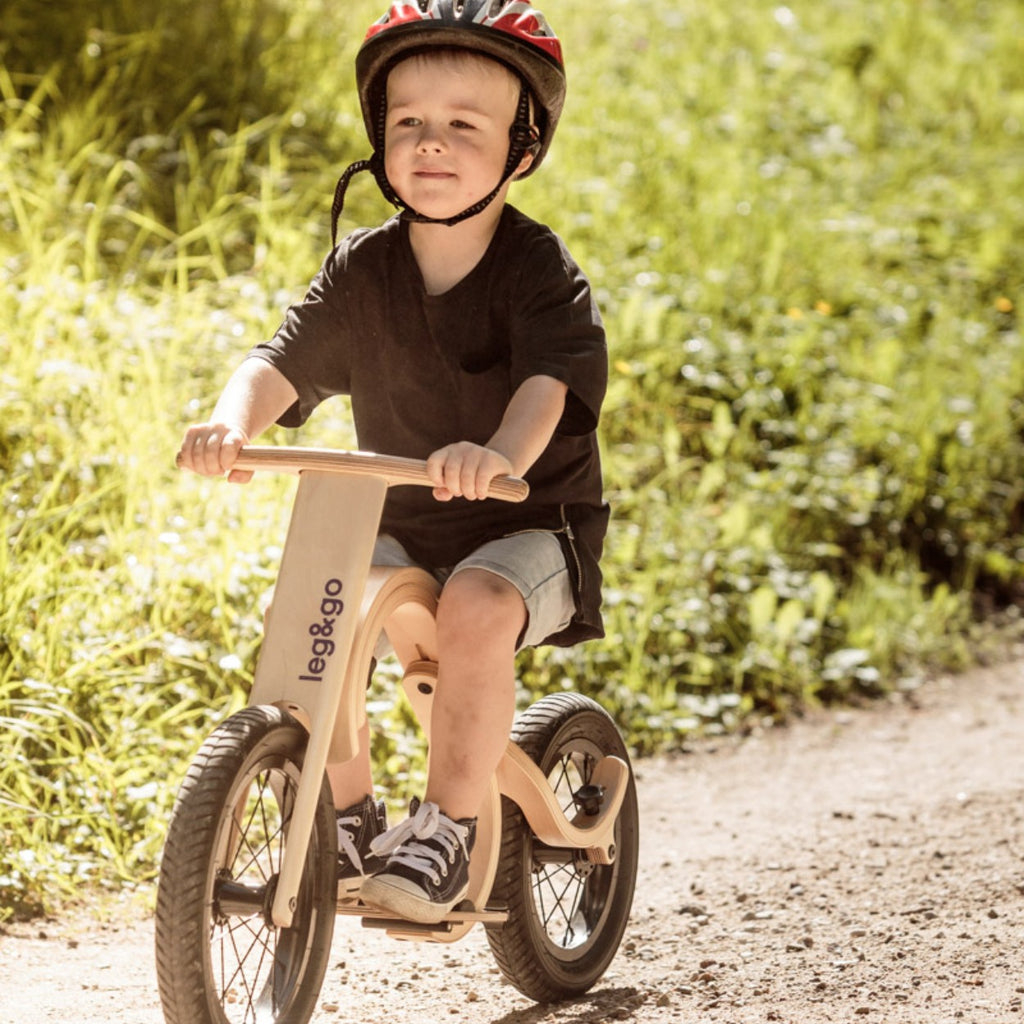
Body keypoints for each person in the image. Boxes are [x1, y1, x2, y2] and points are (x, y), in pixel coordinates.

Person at [177, 0, 608, 926]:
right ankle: (344, 812)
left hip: (529, 521)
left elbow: (548, 387)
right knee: (312, 605)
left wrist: (495, 454)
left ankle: (450, 826)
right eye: (409, 122)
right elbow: (281, 361)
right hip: (402, 515)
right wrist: (227, 422)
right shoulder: (362, 270)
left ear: (522, 148)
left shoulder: (539, 272)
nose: (432, 144)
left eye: (464, 125)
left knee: (478, 606)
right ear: (379, 138)